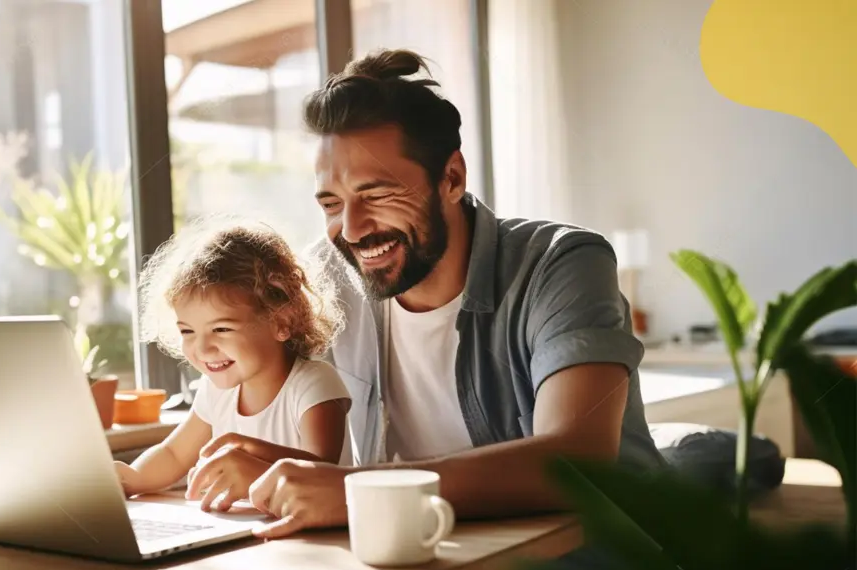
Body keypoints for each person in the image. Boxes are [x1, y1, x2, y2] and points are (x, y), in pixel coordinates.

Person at [200, 48, 665, 541]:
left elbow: (578, 462)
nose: (352, 230)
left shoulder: (561, 263)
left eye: (377, 195)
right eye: (332, 204)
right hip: (426, 558)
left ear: (452, 177)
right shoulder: (327, 276)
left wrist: (354, 488)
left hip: (599, 568)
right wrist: (273, 465)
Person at [114, 218, 352, 512]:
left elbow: (322, 470)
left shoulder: (314, 382)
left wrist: (249, 453)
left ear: (282, 321)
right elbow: (175, 454)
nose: (202, 348)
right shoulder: (215, 389)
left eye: (222, 329)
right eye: (187, 331)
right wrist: (131, 477)